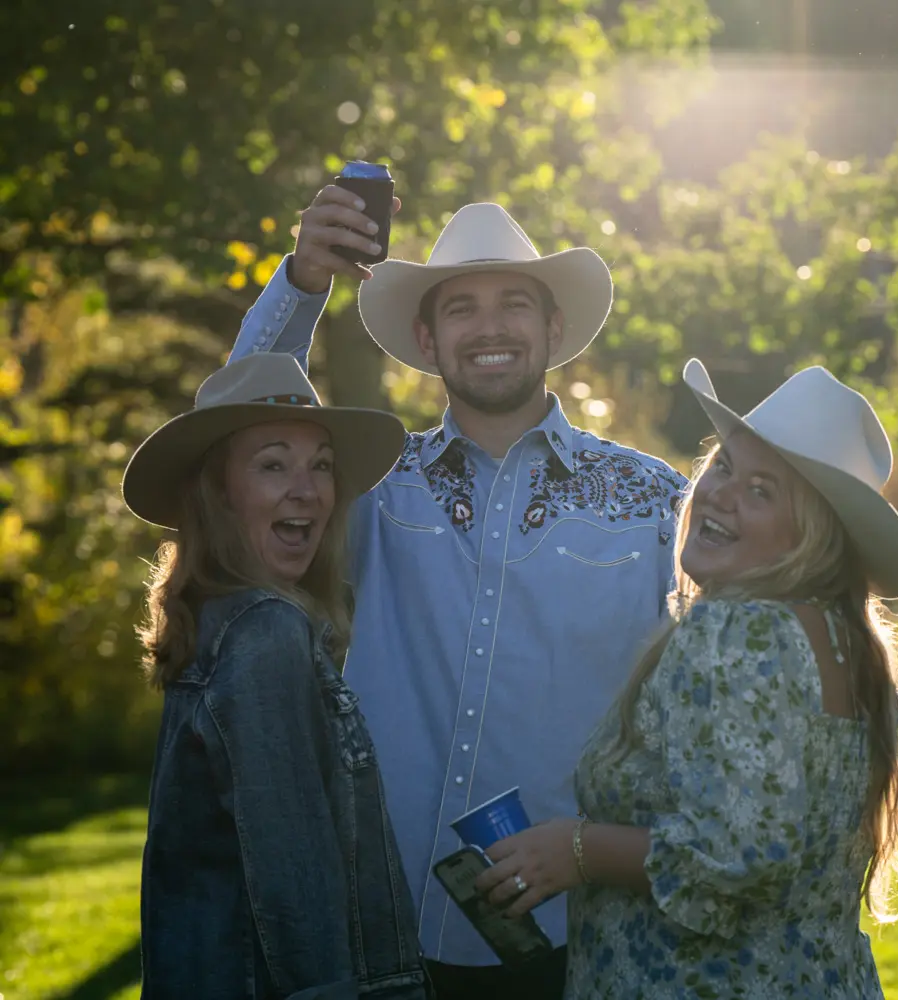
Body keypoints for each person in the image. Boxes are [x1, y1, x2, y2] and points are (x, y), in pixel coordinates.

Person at [228, 183, 688, 998]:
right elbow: (245, 428)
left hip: (589, 938)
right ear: (426, 337)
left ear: (553, 329)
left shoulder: (653, 500)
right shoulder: (369, 486)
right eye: (462, 308)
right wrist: (302, 284)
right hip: (385, 925)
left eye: (515, 302)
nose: (490, 326)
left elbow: (698, 714)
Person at [475, 358, 898, 998]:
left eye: (762, 490)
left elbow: (738, 852)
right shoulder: (848, 647)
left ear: (811, 537)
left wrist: (579, 850)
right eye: (724, 466)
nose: (722, 492)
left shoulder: (740, 631)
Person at [123, 353, 431, 999]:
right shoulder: (264, 633)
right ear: (219, 496)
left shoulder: (220, 620)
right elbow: (295, 878)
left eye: (321, 464)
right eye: (272, 464)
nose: (308, 489)